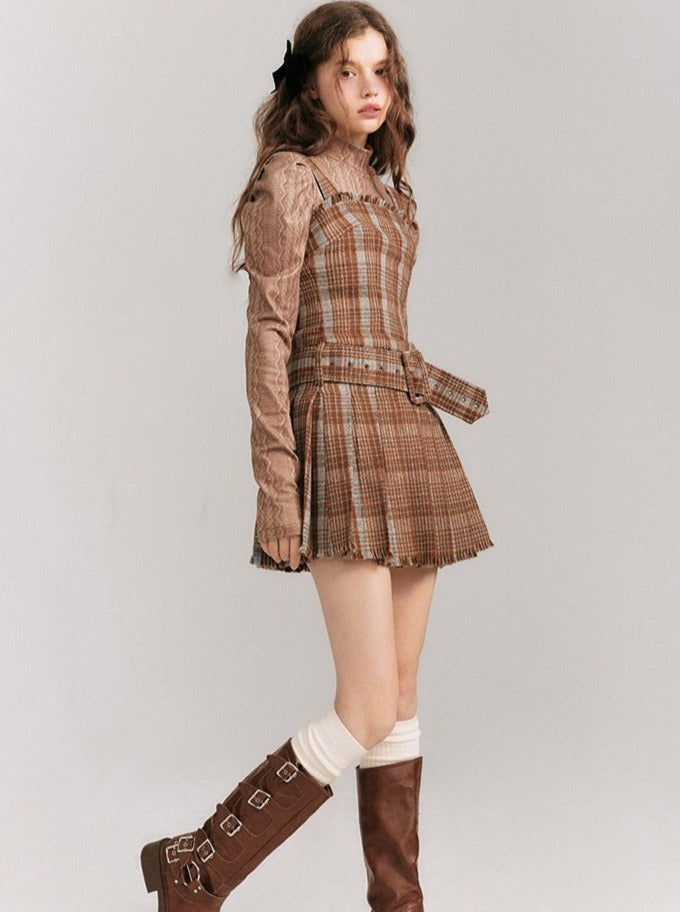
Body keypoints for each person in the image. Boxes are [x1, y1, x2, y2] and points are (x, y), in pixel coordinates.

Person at [139, 3, 494, 909]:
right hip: (334, 427)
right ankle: (196, 865)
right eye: (348, 71)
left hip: (406, 428)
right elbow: (268, 336)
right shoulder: (290, 179)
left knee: (400, 698)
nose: (371, 89)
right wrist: (276, 484)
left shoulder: (389, 188)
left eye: (382, 71)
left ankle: (399, 904)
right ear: (311, 82)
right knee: (365, 703)